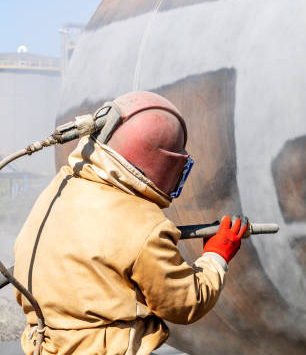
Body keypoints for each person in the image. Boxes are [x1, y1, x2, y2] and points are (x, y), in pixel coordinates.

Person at [12, 91, 245, 354]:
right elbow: (184, 303)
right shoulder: (144, 224)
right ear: (166, 165)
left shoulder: (60, 188)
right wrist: (216, 256)